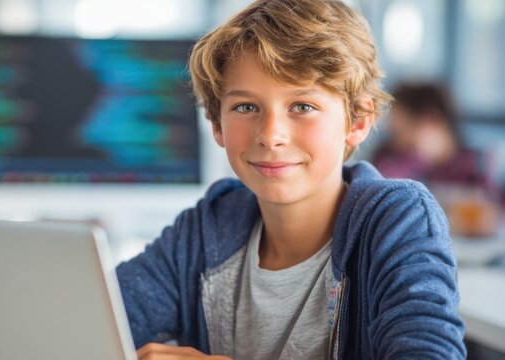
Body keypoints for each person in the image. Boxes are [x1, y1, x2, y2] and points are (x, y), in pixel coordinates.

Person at [117, 0, 466, 359]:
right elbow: (96, 317)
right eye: (246, 107)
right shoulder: (207, 229)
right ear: (217, 124)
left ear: (357, 121)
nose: (271, 135)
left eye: (302, 106)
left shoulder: (398, 219)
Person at [372, 83, 501, 237]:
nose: (396, 141)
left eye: (401, 131)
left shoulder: (476, 163)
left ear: (431, 119)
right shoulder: (388, 158)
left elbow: (492, 216)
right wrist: (417, 158)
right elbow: (379, 205)